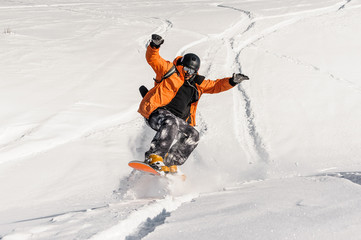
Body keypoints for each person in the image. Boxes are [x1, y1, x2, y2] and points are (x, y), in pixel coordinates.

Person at [138, 34, 249, 174]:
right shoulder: (169, 70)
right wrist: (154, 45)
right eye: (186, 69)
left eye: (192, 71)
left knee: (193, 135)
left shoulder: (198, 84)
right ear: (182, 66)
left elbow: (216, 85)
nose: (188, 73)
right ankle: (154, 157)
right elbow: (153, 59)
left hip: (177, 120)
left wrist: (232, 81)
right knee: (170, 121)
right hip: (157, 113)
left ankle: (170, 163)